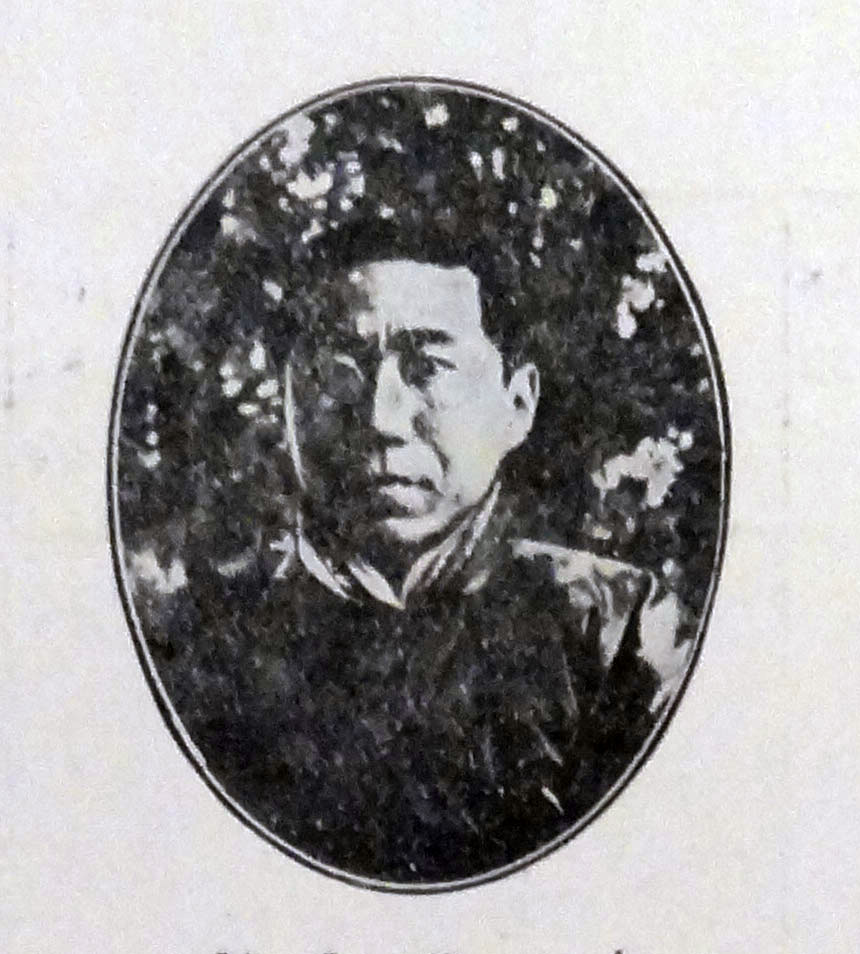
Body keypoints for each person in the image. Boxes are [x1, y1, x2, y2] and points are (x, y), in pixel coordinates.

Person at [184, 238, 690, 885]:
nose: (380, 416)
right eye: (337, 371)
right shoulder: (206, 653)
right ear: (287, 402)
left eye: (427, 368)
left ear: (518, 405)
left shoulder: (617, 629)